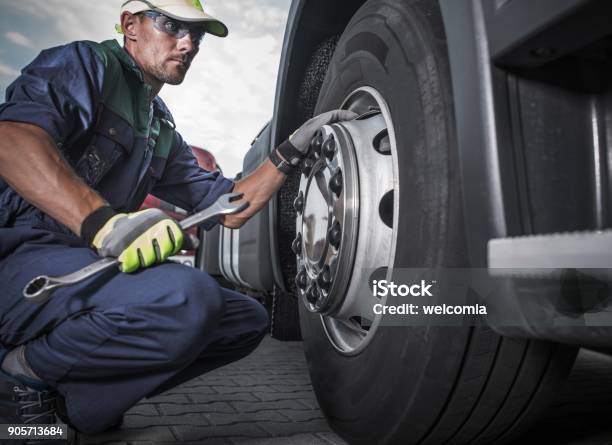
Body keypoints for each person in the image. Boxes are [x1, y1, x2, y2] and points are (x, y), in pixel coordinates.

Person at [0, 0, 356, 437]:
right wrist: (102, 222)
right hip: (21, 260)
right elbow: (12, 140)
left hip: (83, 268)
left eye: (198, 36)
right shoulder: (86, 64)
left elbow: (228, 207)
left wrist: (290, 152)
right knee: (186, 299)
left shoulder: (161, 128)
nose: (188, 44)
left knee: (243, 321)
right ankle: (24, 370)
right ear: (131, 25)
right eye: (171, 25)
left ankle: (79, 405)